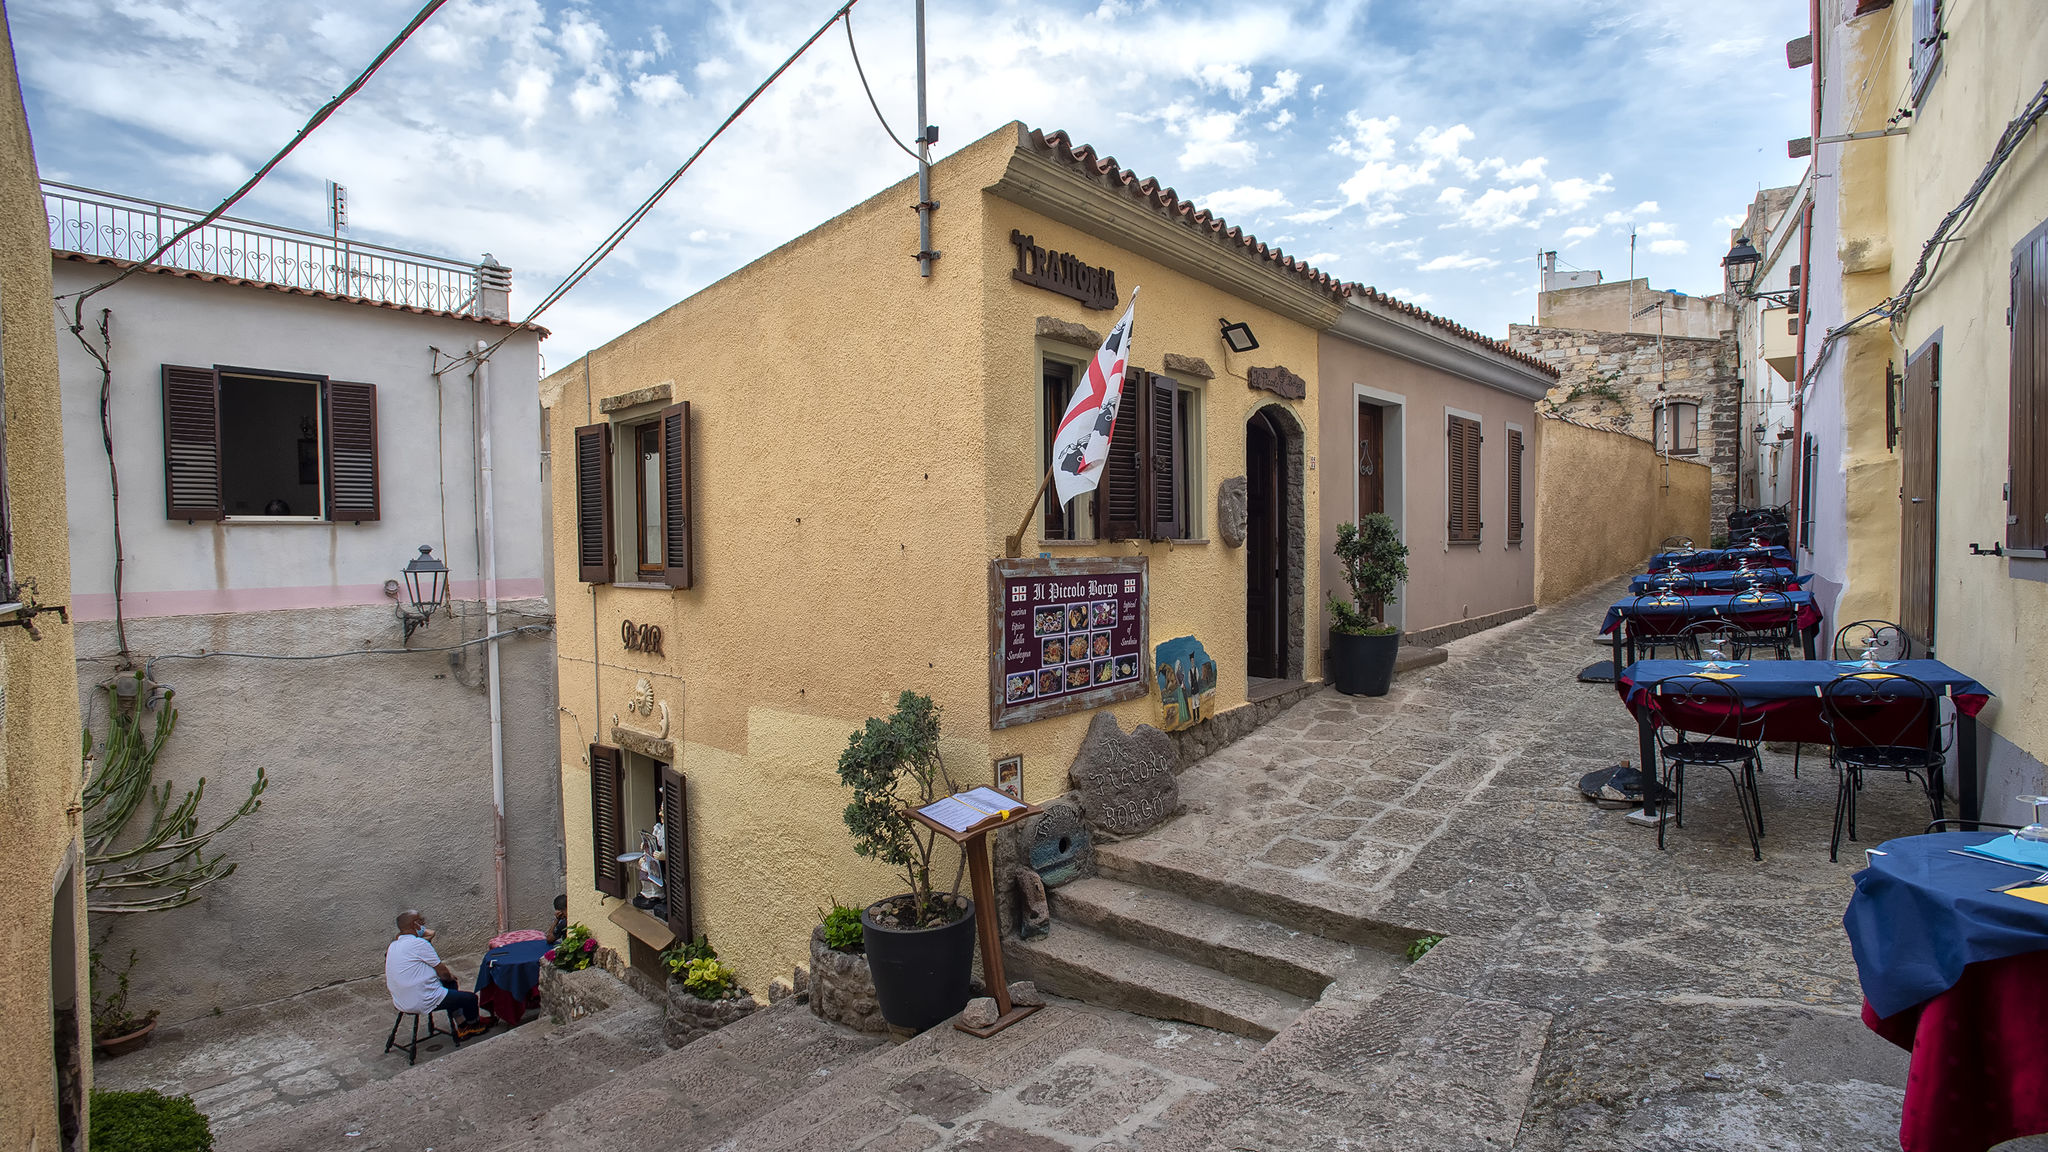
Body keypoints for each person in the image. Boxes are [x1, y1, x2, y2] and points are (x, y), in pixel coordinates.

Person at [385, 909, 487, 1040]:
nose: (424, 924)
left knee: (450, 984)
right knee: (470, 998)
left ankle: (461, 1023)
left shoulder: (393, 945)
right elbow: (443, 973)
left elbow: (430, 933)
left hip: (401, 1000)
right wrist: (449, 977)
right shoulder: (419, 944)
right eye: (421, 921)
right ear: (414, 924)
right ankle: (473, 1025)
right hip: (422, 999)